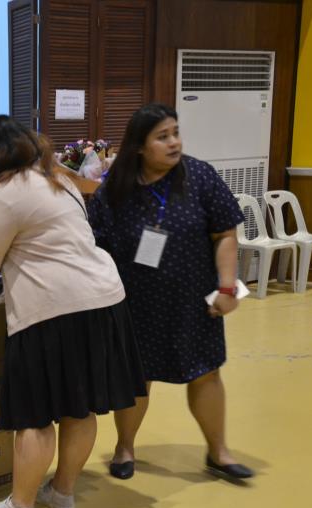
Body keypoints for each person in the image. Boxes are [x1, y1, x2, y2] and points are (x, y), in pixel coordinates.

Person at [0, 115, 146, 508]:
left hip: (51, 309)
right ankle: (62, 492)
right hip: (103, 301)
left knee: (35, 415)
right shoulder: (59, 180)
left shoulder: (5, 195)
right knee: (81, 407)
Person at [87, 103, 254, 482]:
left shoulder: (200, 176)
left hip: (194, 301)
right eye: (162, 137)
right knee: (137, 379)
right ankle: (124, 448)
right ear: (139, 146)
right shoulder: (116, 189)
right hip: (135, 303)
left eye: (176, 133)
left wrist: (228, 286)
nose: (174, 142)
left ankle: (219, 452)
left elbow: (225, 233)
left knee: (206, 373)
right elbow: (95, 245)